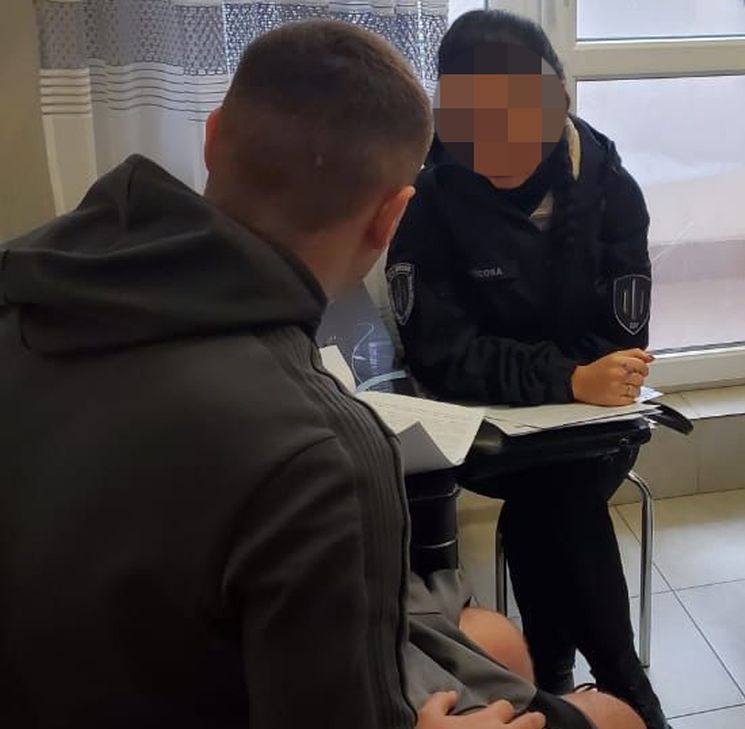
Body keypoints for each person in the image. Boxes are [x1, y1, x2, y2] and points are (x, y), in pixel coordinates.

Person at [0, 20, 640, 729]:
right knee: (614, 718)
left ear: (212, 137)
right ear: (391, 217)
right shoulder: (323, 450)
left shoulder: (28, 288)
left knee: (498, 638)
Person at [387, 10, 669, 729]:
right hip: (484, 432)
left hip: (594, 430)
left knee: (555, 494)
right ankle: (624, 688)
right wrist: (566, 378)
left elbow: (621, 344)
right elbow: (441, 353)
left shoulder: (612, 188)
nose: (499, 141)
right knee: (555, 497)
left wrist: (583, 384)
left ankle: (556, 680)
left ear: (558, 99)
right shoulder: (427, 197)